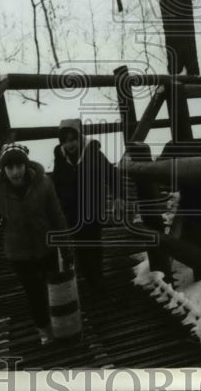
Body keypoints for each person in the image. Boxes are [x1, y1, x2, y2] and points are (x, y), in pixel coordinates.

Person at [0, 142, 69, 345]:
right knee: (34, 293)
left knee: (51, 288)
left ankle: (58, 323)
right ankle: (44, 329)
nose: (15, 172)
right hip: (19, 254)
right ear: (3, 170)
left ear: (26, 165)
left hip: (46, 247)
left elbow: (56, 215)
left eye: (19, 166)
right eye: (9, 167)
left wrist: (66, 246)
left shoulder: (44, 185)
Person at [52, 118, 123, 296]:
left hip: (93, 209)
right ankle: (89, 279)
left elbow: (112, 174)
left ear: (80, 136)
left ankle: (97, 280)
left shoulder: (93, 153)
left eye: (72, 139)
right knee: (80, 246)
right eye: (65, 141)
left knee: (94, 244)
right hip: (72, 213)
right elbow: (57, 184)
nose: (69, 144)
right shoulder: (60, 158)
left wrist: (118, 197)